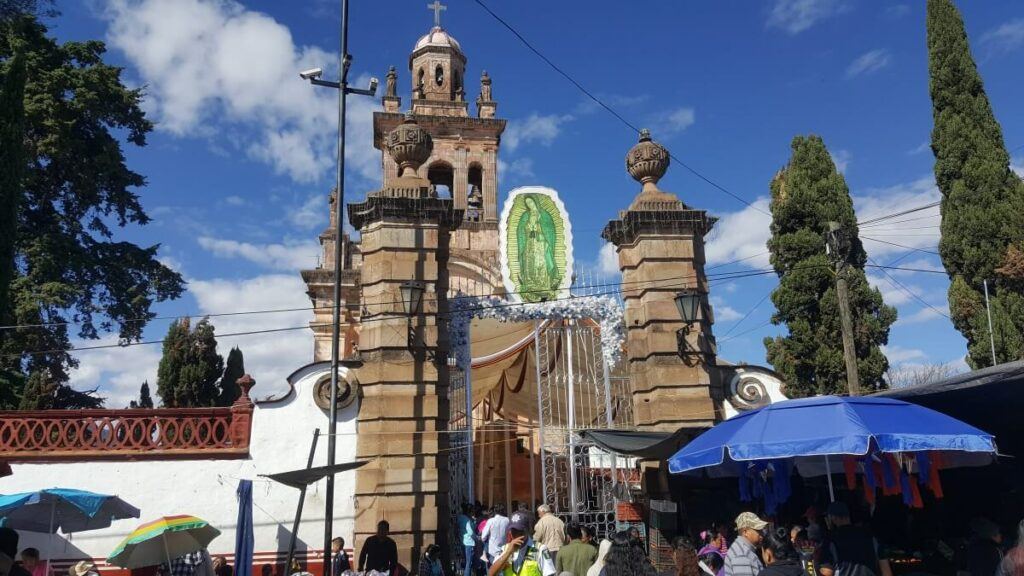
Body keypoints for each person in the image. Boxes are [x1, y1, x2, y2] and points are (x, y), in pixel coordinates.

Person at [818, 502, 892, 576]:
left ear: (832, 517)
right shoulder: (870, 535)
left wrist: (815, 561)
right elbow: (886, 571)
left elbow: (827, 572)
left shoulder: (830, 539)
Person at [488, 518, 556, 576]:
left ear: (527, 532)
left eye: (520, 532)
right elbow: (491, 574)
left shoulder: (540, 549)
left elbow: (550, 573)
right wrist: (508, 552)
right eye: (513, 532)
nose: (516, 535)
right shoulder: (505, 549)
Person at [459, 504, 480, 576]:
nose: (473, 513)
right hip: (469, 543)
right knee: (469, 563)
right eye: (472, 512)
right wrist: (477, 539)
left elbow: (456, 529)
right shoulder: (467, 520)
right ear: (469, 512)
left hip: (462, 542)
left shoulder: (460, 518)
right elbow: (471, 532)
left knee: (465, 562)